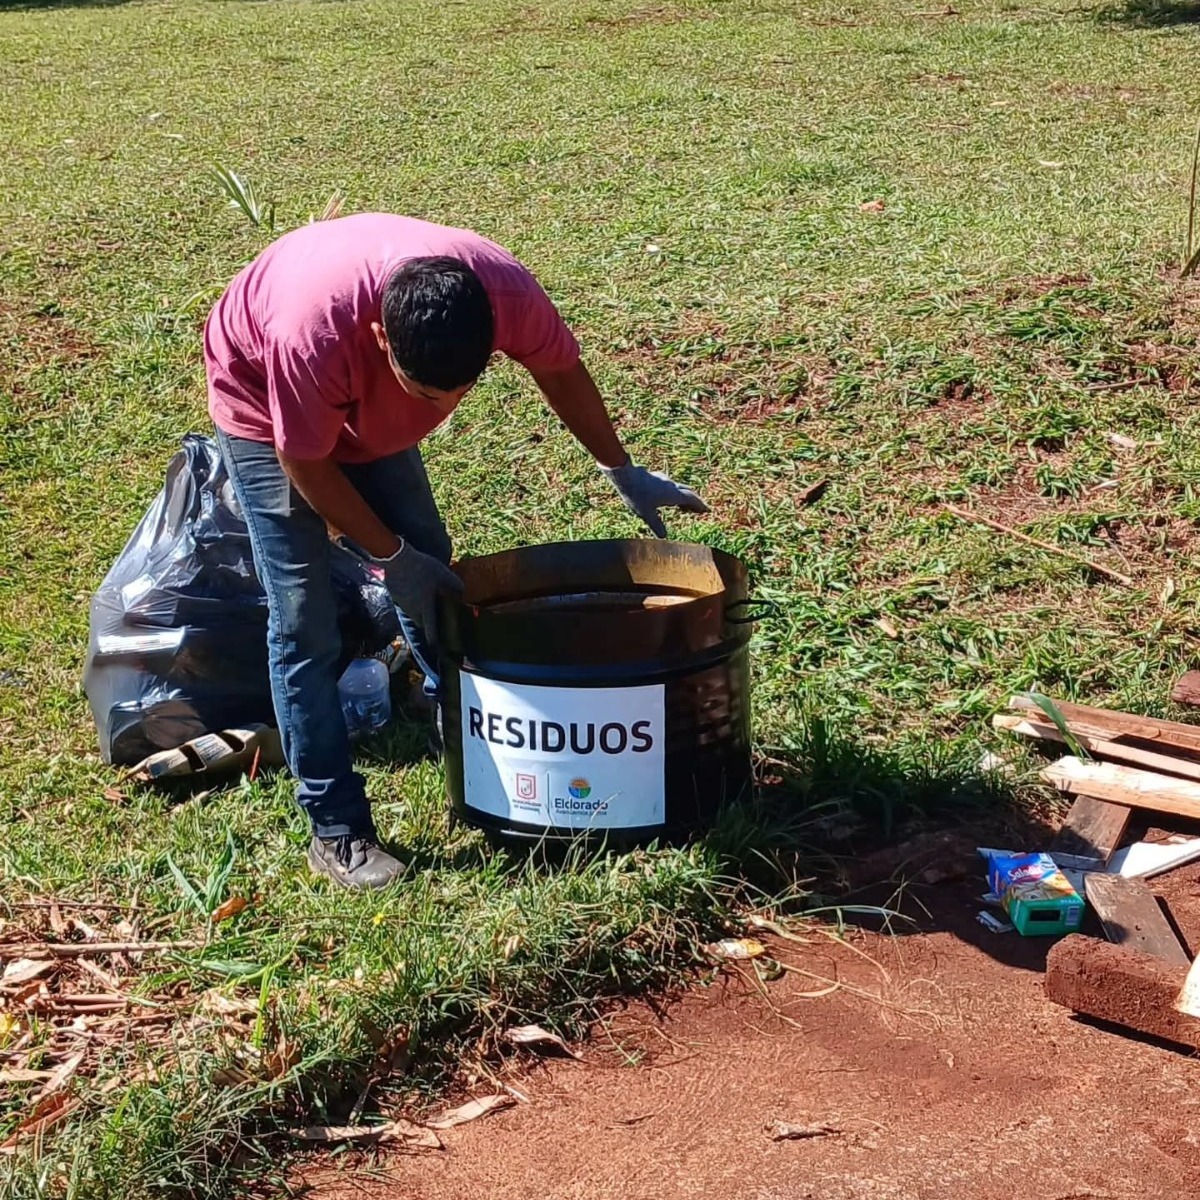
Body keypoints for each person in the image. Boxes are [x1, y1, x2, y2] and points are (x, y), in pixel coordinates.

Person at [205, 213, 708, 889]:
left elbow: (560, 368)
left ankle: (469, 747)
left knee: (432, 562)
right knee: (304, 617)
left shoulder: (505, 293)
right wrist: (390, 558)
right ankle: (337, 828)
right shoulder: (311, 333)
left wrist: (620, 467)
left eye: (463, 390)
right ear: (383, 337)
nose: (445, 406)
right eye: (426, 394)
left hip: (353, 387)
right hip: (267, 405)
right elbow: (308, 463)